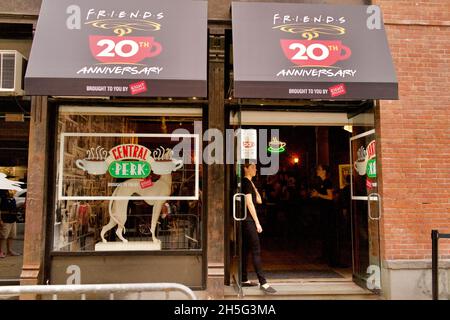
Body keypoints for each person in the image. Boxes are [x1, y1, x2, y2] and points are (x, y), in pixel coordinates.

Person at [240, 162, 277, 294]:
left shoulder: (249, 183)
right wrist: (257, 222)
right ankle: (263, 283)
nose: (256, 169)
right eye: (253, 167)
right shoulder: (245, 183)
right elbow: (250, 203)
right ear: (246, 168)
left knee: (245, 250)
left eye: (256, 167)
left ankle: (243, 278)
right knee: (256, 250)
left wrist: (254, 186)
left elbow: (259, 200)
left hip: (246, 221)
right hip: (249, 220)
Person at [310, 164, 337, 266]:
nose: (317, 170)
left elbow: (330, 197)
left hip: (329, 213)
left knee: (329, 234)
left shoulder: (327, 182)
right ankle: (325, 255)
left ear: (324, 171)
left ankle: (331, 257)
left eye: (319, 169)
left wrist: (318, 195)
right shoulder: (322, 182)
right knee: (325, 234)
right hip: (324, 212)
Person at [0, 189, 21, 258]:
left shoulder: (12, 198)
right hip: (5, 219)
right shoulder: (2, 197)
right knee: (3, 236)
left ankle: (9, 250)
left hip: (12, 219)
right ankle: (0, 251)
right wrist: (0, 220)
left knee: (12, 236)